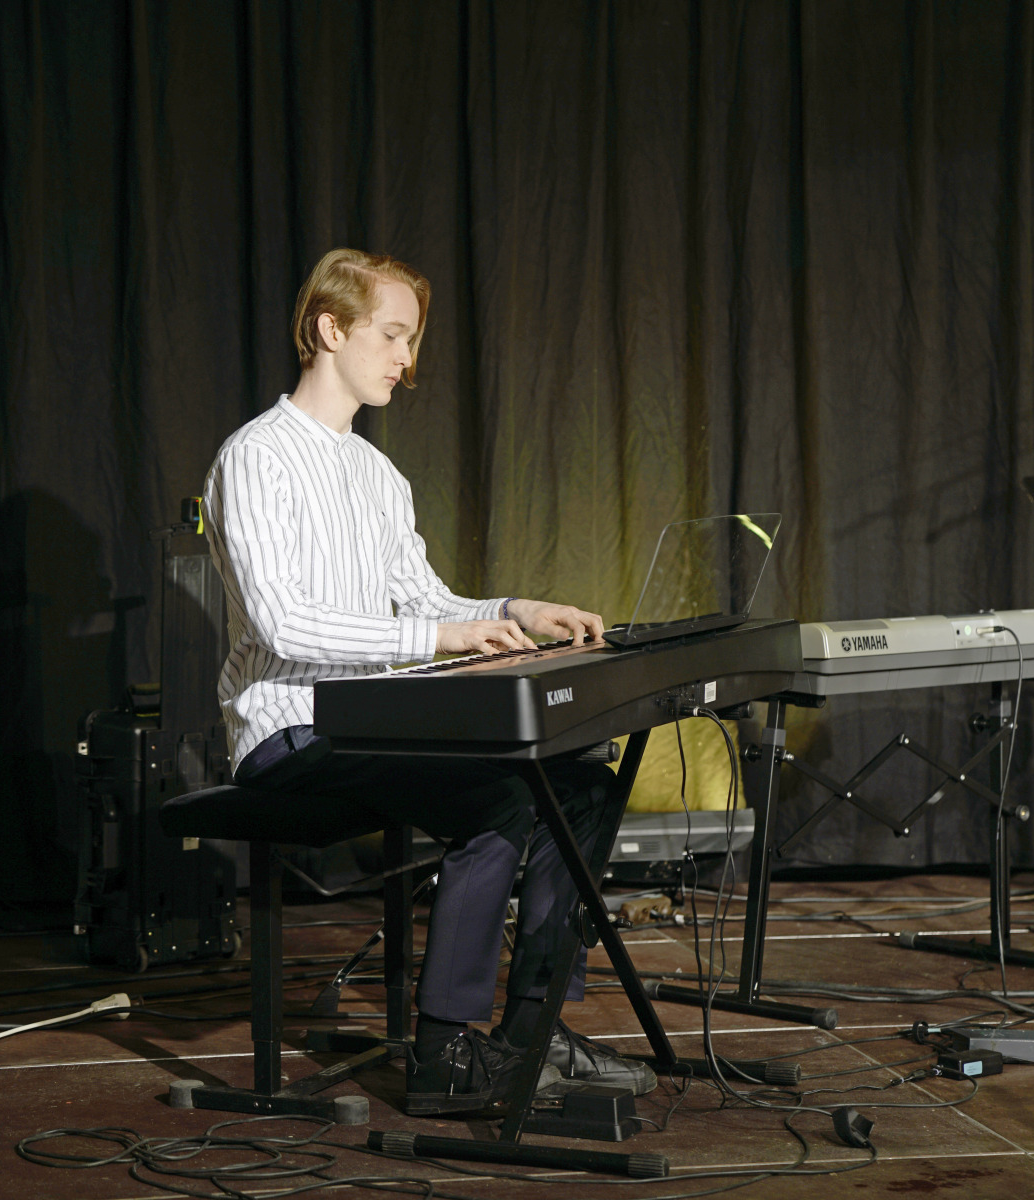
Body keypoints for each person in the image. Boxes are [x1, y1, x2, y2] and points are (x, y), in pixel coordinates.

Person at [201, 247, 656, 1115]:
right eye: (393, 335)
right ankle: (444, 1053)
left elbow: (428, 601)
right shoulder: (256, 457)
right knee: (499, 797)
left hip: (371, 723)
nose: (407, 359)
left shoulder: (378, 475)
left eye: (411, 340)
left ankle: (531, 1035)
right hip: (289, 731)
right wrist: (444, 635)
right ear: (330, 329)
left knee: (582, 788)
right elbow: (283, 624)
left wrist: (516, 610)